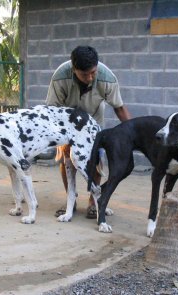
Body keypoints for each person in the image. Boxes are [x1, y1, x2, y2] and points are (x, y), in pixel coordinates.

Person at [46, 45, 131, 219]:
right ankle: (72, 199)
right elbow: (51, 112)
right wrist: (61, 140)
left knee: (96, 159)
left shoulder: (107, 79)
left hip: (94, 122)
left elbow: (119, 108)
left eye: (93, 72)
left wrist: (132, 134)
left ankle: (93, 202)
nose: (90, 77)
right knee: (67, 161)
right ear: (74, 69)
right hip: (67, 123)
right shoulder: (60, 77)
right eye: (85, 74)